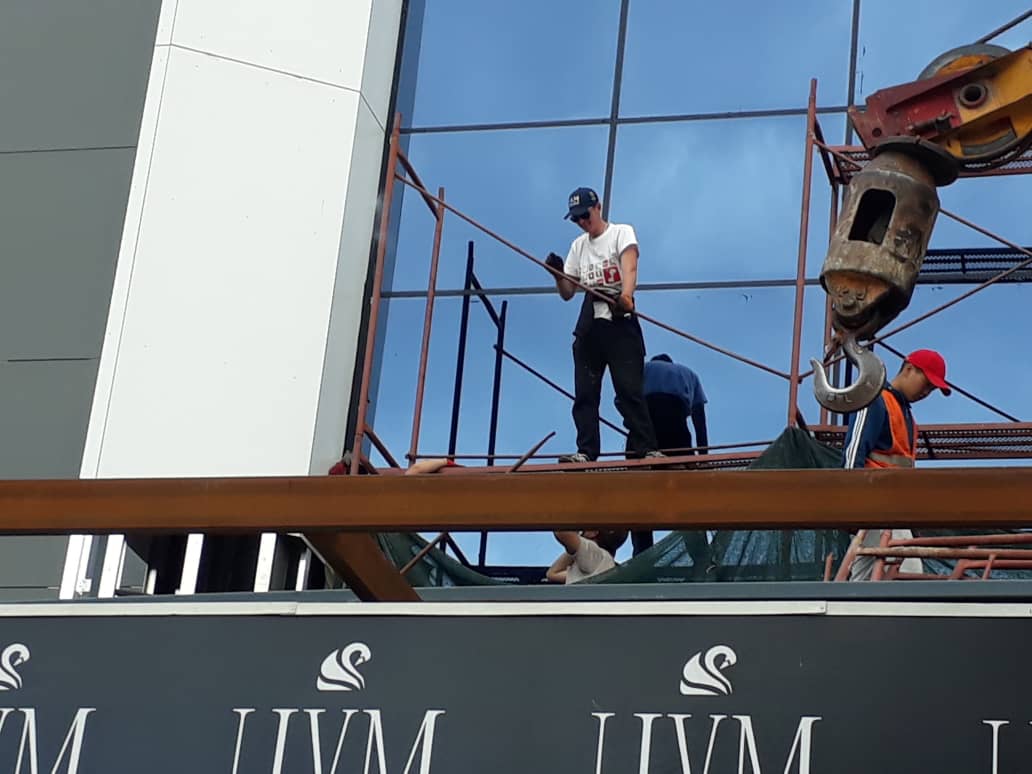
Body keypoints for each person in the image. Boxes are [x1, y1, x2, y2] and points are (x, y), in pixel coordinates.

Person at [544, 186, 661, 463]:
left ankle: (646, 448)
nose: (582, 223)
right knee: (585, 391)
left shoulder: (621, 233)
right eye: (576, 219)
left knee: (628, 389)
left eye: (584, 215)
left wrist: (627, 296)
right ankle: (586, 451)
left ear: (597, 208)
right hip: (590, 321)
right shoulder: (578, 246)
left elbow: (629, 266)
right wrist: (557, 275)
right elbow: (568, 293)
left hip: (618, 314)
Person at [842, 348, 951, 580]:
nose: (927, 392)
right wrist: (851, 505)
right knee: (903, 573)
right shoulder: (875, 401)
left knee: (876, 573)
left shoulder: (907, 416)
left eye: (932, 389)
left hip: (894, 512)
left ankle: (854, 611)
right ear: (909, 368)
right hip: (872, 506)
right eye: (927, 383)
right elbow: (853, 453)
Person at [546, 529, 628, 584]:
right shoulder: (604, 564)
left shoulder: (597, 556)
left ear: (593, 532)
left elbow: (561, 531)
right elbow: (552, 574)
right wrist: (575, 550)